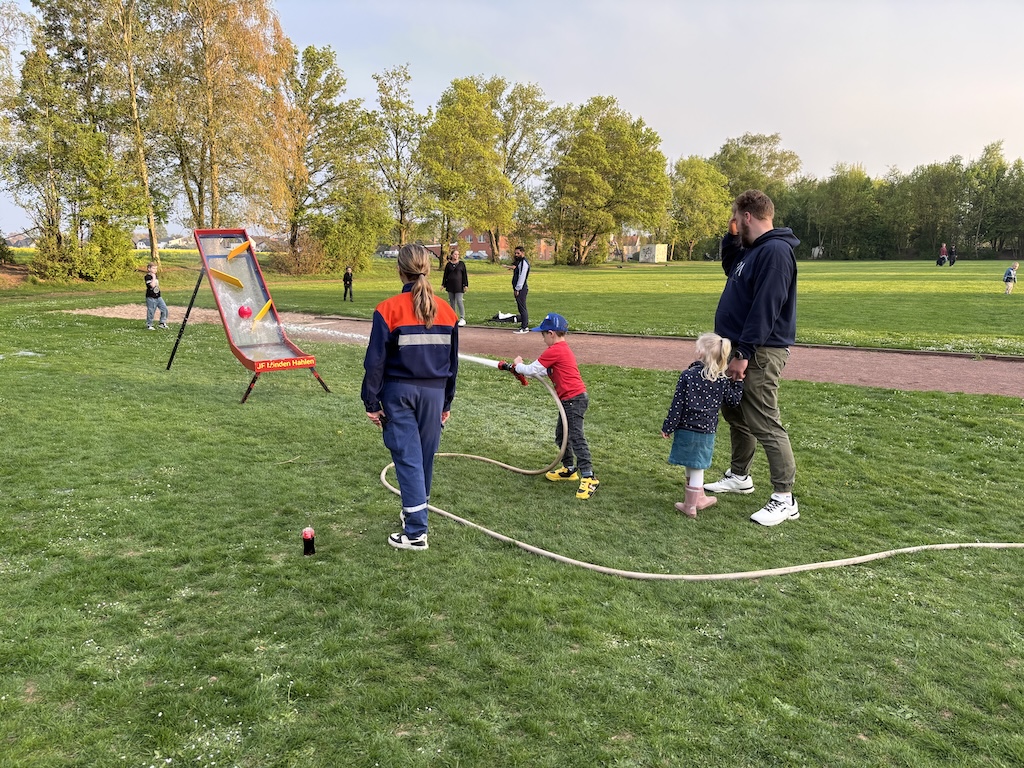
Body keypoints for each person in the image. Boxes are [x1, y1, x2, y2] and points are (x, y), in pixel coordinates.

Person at [704, 190, 800, 527]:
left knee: (764, 420)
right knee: (735, 412)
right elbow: (731, 267)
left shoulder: (775, 252)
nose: (733, 221)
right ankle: (740, 476)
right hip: (736, 347)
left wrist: (744, 353)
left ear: (747, 216)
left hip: (760, 350)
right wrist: (731, 236)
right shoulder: (753, 250)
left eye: (736, 216)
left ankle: (784, 498)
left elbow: (766, 307)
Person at [361, 244, 460, 551]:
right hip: (433, 394)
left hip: (399, 393)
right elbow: (453, 364)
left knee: (408, 459)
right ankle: (415, 515)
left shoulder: (387, 309)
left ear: (399, 271)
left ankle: (416, 532)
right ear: (427, 270)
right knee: (422, 459)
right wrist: (446, 402)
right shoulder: (447, 311)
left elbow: (375, 361)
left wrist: (371, 402)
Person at [508, 312, 599, 500]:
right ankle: (569, 468)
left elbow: (531, 369)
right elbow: (539, 370)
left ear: (551, 333)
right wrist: (521, 369)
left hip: (574, 399)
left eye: (543, 334)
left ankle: (589, 477)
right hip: (569, 400)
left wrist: (518, 365)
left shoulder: (556, 350)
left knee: (575, 436)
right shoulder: (560, 350)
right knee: (562, 435)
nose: (542, 338)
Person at [661, 333, 744, 518]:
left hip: (685, 427)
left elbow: (677, 405)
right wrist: (738, 382)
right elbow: (733, 401)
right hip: (706, 430)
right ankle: (696, 501)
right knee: (697, 465)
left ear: (701, 352)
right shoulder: (721, 380)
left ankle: (691, 505)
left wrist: (668, 426)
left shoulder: (687, 375)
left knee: (693, 465)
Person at [442, 248, 468, 327]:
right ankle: (453, 317)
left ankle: (462, 318)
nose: (456, 256)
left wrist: (465, 285)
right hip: (450, 286)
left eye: (457, 254)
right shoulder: (448, 265)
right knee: (452, 302)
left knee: (459, 300)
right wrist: (443, 284)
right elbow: (445, 275)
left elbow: (464, 275)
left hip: (459, 286)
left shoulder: (461, 264)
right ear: (452, 255)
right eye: (455, 254)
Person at [508, 245, 530, 333]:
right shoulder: (520, 263)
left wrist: (517, 289)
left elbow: (522, 277)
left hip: (521, 288)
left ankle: (524, 327)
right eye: (515, 253)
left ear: (522, 253)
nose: (516, 255)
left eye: (518, 253)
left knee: (522, 307)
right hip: (519, 288)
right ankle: (524, 325)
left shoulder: (524, 263)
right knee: (520, 307)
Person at [144, 262, 169, 330]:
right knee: (151, 311)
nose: (155, 270)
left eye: (156, 268)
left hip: (158, 296)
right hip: (151, 297)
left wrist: (155, 276)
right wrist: (153, 277)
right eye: (153, 268)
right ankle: (149, 325)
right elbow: (152, 285)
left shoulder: (155, 276)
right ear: (149, 269)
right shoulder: (147, 277)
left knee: (164, 309)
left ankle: (162, 323)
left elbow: (156, 286)